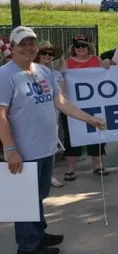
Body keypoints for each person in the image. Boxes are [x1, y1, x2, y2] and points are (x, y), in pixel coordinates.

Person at [0, 26, 106, 254]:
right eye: (23, 44)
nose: (28, 48)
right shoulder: (5, 75)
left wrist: (89, 118)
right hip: (21, 150)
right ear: (14, 47)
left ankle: (38, 234)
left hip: (45, 146)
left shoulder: (43, 72)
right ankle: (27, 248)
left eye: (31, 43)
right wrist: (9, 149)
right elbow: (1, 115)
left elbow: (61, 102)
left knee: (38, 194)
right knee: (22, 199)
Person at [61, 35, 110, 181]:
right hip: (74, 105)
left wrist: (107, 63)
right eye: (77, 46)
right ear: (73, 48)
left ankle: (97, 165)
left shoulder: (97, 60)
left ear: (89, 47)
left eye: (84, 46)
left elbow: (108, 75)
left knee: (97, 133)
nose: (81, 49)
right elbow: (62, 81)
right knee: (72, 136)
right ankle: (70, 169)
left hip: (95, 103)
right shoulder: (67, 63)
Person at [34, 41, 65, 188]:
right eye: (44, 53)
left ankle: (49, 175)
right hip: (33, 116)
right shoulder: (29, 72)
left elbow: (61, 96)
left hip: (52, 113)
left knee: (51, 147)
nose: (47, 56)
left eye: (50, 54)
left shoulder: (56, 74)